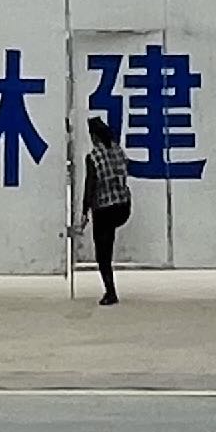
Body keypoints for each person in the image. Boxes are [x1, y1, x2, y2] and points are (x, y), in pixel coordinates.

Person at [79, 114, 132, 305]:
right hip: (123, 206)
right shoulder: (119, 150)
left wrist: (84, 211)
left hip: (104, 209)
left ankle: (110, 292)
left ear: (94, 136)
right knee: (108, 239)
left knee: (103, 253)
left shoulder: (93, 157)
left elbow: (90, 186)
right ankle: (110, 291)